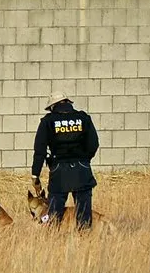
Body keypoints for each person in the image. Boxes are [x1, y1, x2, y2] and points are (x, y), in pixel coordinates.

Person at [32, 92, 100, 229]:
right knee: (84, 211)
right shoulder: (83, 118)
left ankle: (54, 238)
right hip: (82, 169)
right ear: (68, 103)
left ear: (52, 107)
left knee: (55, 212)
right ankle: (85, 237)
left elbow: (40, 150)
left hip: (59, 170)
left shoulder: (47, 121)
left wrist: (35, 175)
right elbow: (94, 144)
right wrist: (84, 159)